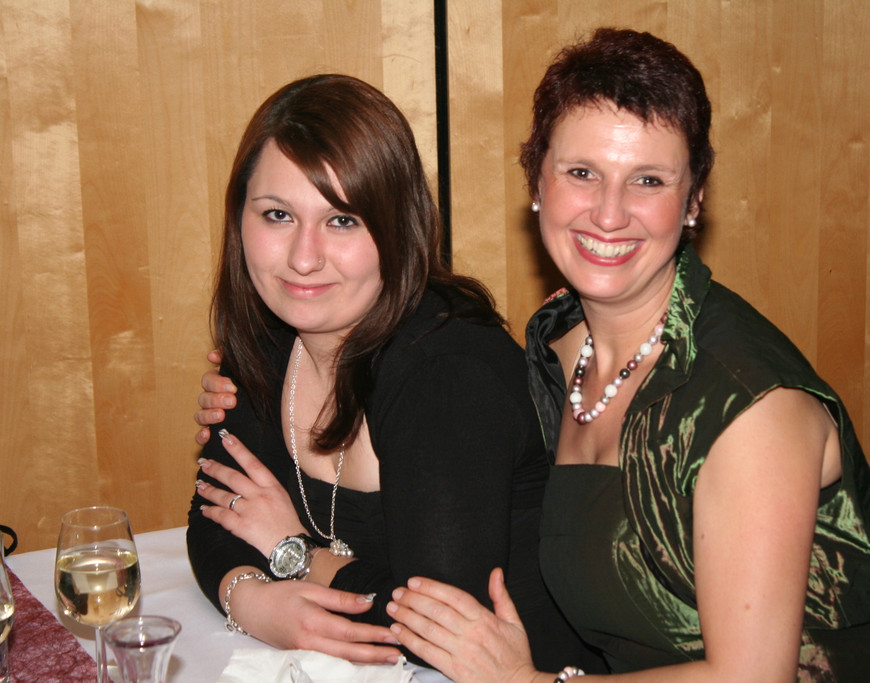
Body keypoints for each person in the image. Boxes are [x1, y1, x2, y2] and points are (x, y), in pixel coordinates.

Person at [384, 29, 870, 682]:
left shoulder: (748, 407)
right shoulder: (559, 344)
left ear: (693, 201)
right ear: (536, 180)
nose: (609, 214)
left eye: (648, 180)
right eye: (582, 173)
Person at [186, 73, 594, 671]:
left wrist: (293, 552)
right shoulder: (268, 333)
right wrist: (248, 600)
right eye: (277, 215)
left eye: (342, 221)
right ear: (239, 220)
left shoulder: (447, 373)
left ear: (398, 227)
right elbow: (214, 520)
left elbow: (437, 624)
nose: (303, 258)